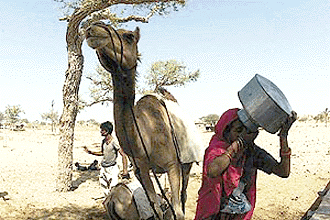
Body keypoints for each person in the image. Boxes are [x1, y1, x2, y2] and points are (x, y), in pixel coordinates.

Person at [195, 108, 297, 220]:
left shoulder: (251, 152)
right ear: (226, 132)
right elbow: (212, 170)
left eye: (246, 130)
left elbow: (283, 171)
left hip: (240, 214)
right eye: (238, 131)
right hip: (213, 214)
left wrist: (283, 137)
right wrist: (236, 147)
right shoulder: (216, 149)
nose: (242, 135)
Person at [84, 121, 130, 196]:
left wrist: (125, 171)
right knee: (105, 190)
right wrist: (91, 152)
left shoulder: (114, 142)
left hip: (112, 169)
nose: (101, 132)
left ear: (107, 131)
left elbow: (123, 155)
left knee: (113, 190)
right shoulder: (104, 141)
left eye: (102, 130)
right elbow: (102, 152)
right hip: (103, 168)